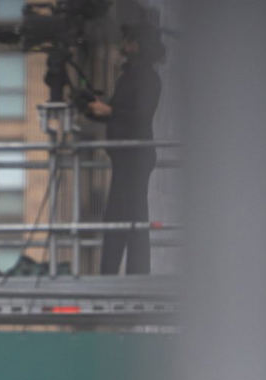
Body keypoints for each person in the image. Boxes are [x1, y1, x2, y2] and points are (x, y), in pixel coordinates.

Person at [81, 18, 166, 275]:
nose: (124, 46)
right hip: (125, 157)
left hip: (135, 157)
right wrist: (95, 108)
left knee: (130, 216)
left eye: (130, 42)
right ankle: (115, 270)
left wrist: (109, 110)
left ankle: (132, 271)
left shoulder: (147, 78)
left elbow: (140, 114)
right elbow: (119, 113)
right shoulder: (130, 76)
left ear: (141, 45)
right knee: (120, 216)